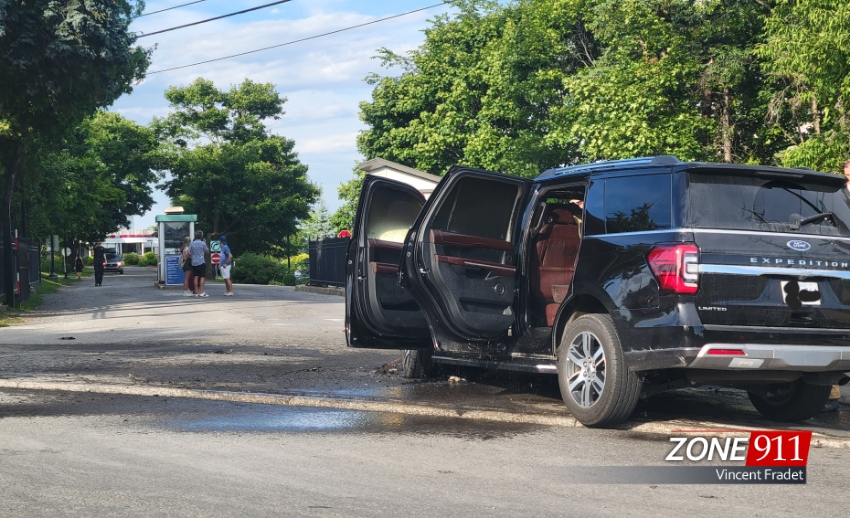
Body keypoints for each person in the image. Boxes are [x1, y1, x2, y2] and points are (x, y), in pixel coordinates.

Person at [188, 230, 209, 297]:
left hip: (194, 262)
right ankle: (202, 292)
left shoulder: (192, 243)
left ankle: (196, 291)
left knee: (195, 277)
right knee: (202, 277)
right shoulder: (203, 243)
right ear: (201, 236)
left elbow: (188, 252)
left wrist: (192, 256)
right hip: (201, 261)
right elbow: (207, 251)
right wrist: (205, 243)